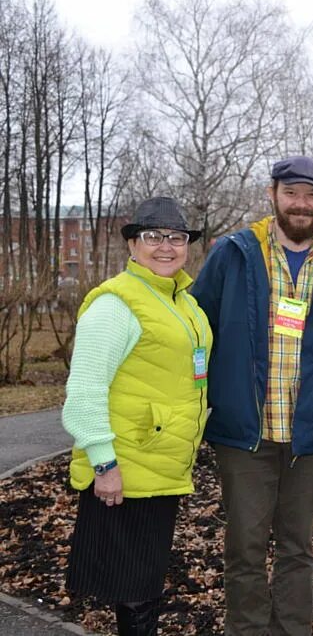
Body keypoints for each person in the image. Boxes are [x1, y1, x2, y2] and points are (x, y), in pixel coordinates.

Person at [191, 156, 313, 636]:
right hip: (246, 434)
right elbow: (200, 328)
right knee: (245, 546)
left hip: (310, 436)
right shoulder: (235, 254)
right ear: (273, 195)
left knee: (298, 549)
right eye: (292, 193)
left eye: (312, 196)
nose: (301, 204)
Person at [62, 196, 211, 636]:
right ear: (132, 245)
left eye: (176, 238)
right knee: (135, 589)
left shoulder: (182, 301)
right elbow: (85, 390)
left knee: (143, 582)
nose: (165, 246)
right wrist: (103, 464)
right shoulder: (117, 304)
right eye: (152, 237)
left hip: (159, 464)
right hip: (126, 469)